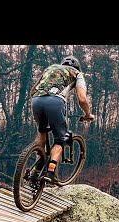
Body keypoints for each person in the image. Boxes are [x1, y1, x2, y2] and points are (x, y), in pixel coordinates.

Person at [29, 55, 95, 184]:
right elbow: (82, 99)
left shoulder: (50, 68)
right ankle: (51, 171)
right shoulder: (77, 74)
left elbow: (33, 91)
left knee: (42, 131)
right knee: (61, 138)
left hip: (36, 100)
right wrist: (88, 114)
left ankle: (37, 166)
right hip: (55, 102)